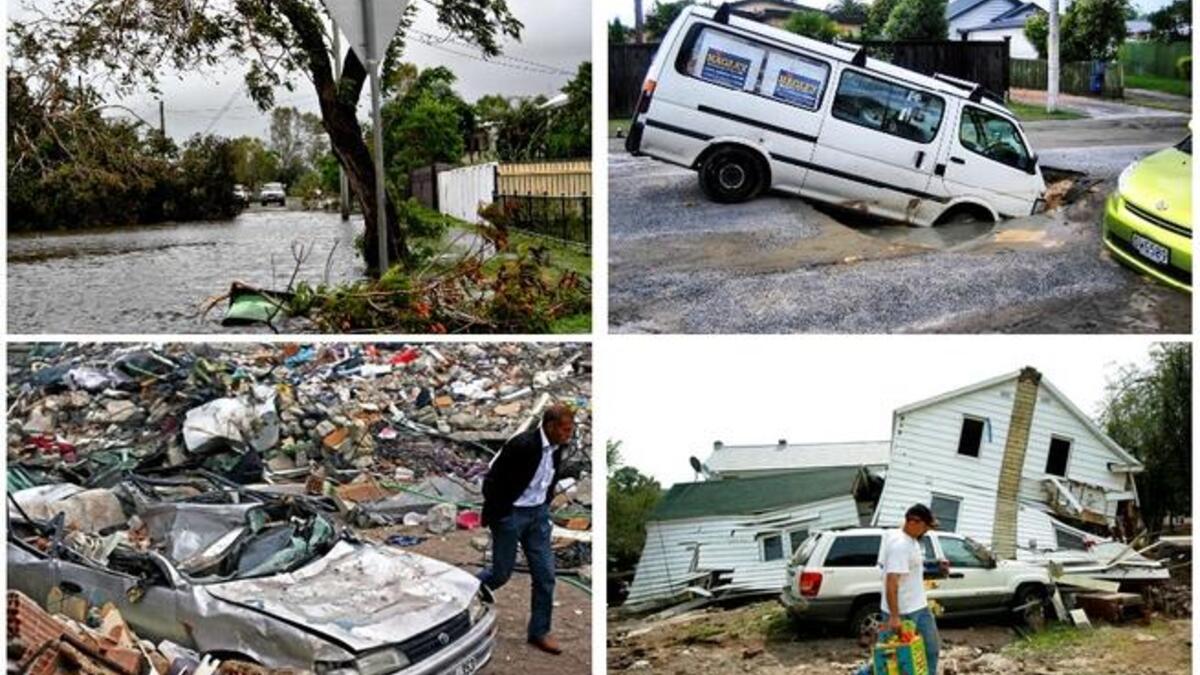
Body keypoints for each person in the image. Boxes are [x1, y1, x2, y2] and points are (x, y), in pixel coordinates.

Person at [478, 403, 575, 655]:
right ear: (550, 426)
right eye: (565, 429)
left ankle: (539, 632)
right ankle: (467, 590)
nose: (569, 435)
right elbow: (492, 481)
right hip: (512, 514)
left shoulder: (558, 448)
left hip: (537, 516)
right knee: (501, 574)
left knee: (545, 576)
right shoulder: (522, 445)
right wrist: (501, 515)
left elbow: (549, 479)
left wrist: (544, 505)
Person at [854, 504, 942, 675]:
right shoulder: (900, 545)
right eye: (925, 526)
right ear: (913, 522)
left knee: (931, 649)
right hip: (901, 612)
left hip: (919, 607)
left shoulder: (907, 538)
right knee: (890, 654)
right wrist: (894, 616)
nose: (926, 531)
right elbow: (891, 582)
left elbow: (907, 570)